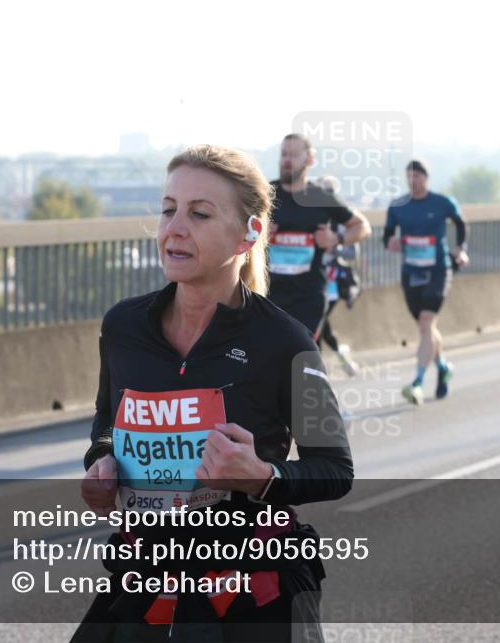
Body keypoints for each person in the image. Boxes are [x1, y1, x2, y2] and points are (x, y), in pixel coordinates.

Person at [75, 144, 353, 642]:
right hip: (147, 583)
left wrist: (262, 476)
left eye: (199, 214)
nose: (174, 228)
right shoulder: (123, 326)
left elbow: (334, 469)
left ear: (248, 236)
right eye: (167, 210)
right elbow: (106, 423)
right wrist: (101, 463)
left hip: (251, 592)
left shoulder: (283, 340)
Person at [267, 134, 371, 340]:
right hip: (268, 293)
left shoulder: (320, 197)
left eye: (294, 155)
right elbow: (235, 227)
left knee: (296, 358)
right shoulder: (265, 194)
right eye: (284, 154)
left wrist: (336, 239)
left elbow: (362, 226)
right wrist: (258, 231)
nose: (287, 160)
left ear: (309, 160)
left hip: (307, 297)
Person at [383, 159, 469, 405]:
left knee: (426, 322)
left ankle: (418, 382)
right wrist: (391, 242)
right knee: (426, 329)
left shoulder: (442, 202)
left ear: (426, 178)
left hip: (438, 270)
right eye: (409, 176)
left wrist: (460, 249)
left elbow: (461, 224)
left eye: (417, 176)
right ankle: (443, 367)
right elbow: (388, 235)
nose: (413, 181)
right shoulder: (398, 206)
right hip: (411, 272)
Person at [314, 175, 362, 377]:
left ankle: (315, 374)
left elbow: (353, 253)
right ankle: (341, 356)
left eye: (328, 192)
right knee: (321, 326)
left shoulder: (342, 220)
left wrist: (334, 245)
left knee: (318, 323)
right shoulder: (310, 216)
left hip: (332, 283)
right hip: (311, 280)